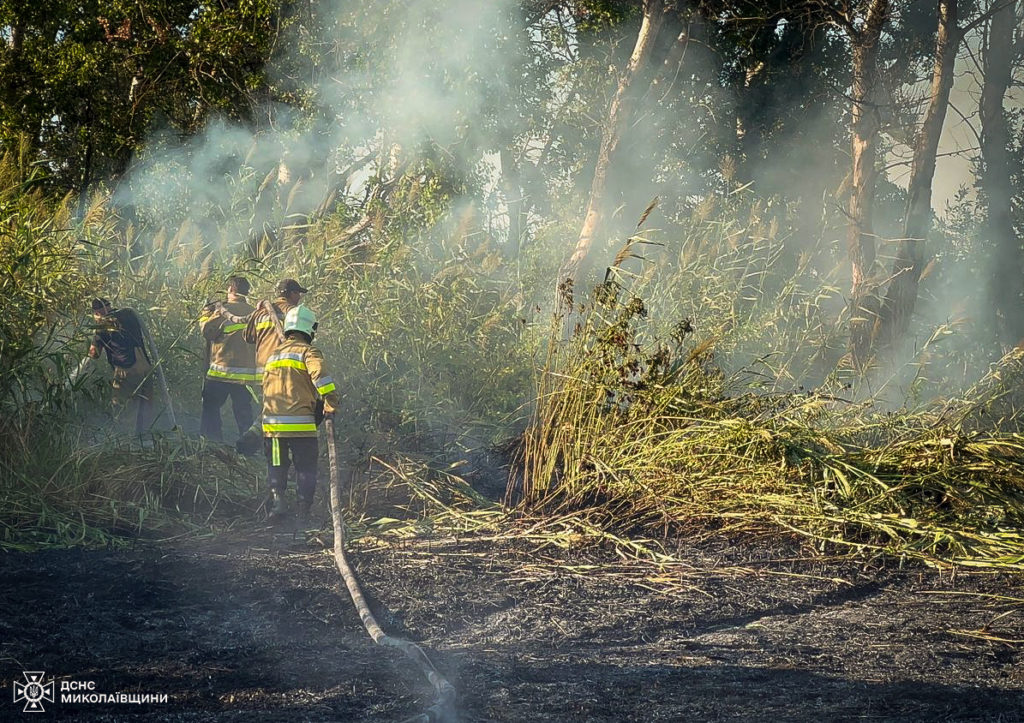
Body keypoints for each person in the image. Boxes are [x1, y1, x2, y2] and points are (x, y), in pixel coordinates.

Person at [261, 304, 340, 522]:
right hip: (300, 427)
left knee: (276, 465)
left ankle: (278, 504)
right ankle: (303, 512)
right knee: (305, 469)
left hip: (272, 428)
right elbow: (320, 376)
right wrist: (331, 403)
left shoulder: (273, 355)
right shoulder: (308, 352)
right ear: (310, 329)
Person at [235, 278, 307, 454]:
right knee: (284, 411)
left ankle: (259, 441)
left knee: (270, 408)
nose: (299, 297)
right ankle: (272, 449)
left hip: (264, 372)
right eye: (298, 293)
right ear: (290, 294)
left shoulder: (260, 313)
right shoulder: (297, 313)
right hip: (288, 371)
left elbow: (248, 337)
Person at [199, 276, 258, 442]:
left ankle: (213, 443)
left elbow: (207, 331)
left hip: (221, 373)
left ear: (231, 290)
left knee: (210, 406)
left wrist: (205, 314)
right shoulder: (255, 313)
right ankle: (248, 447)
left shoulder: (223, 311)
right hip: (245, 376)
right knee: (243, 411)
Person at [88, 298, 154, 437]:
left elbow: (94, 354)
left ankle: (126, 444)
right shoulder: (129, 315)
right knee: (145, 406)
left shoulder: (103, 325)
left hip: (126, 370)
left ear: (98, 312)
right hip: (146, 367)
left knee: (123, 408)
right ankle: (148, 441)